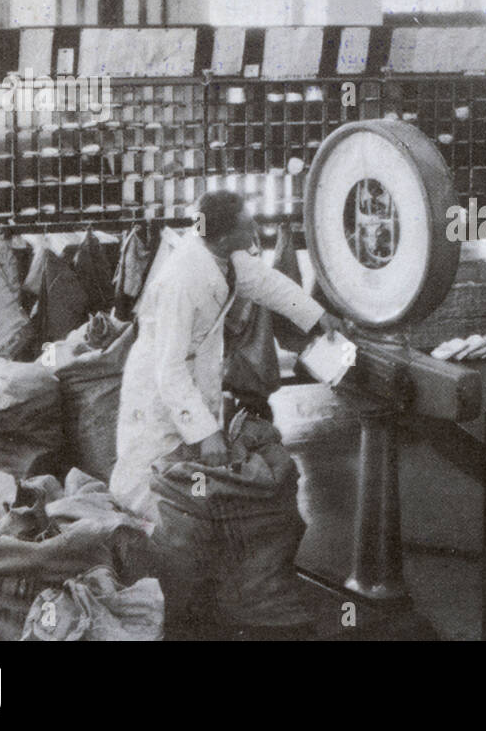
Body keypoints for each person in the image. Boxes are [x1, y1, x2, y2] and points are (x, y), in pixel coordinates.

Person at [110, 191, 340, 523]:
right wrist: (205, 432)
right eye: (247, 226)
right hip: (158, 391)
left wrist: (318, 316)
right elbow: (169, 369)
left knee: (191, 473)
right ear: (225, 235)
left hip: (191, 377)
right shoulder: (182, 280)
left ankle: (186, 535)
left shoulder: (224, 255)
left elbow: (267, 283)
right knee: (150, 475)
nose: (255, 230)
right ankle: (144, 541)